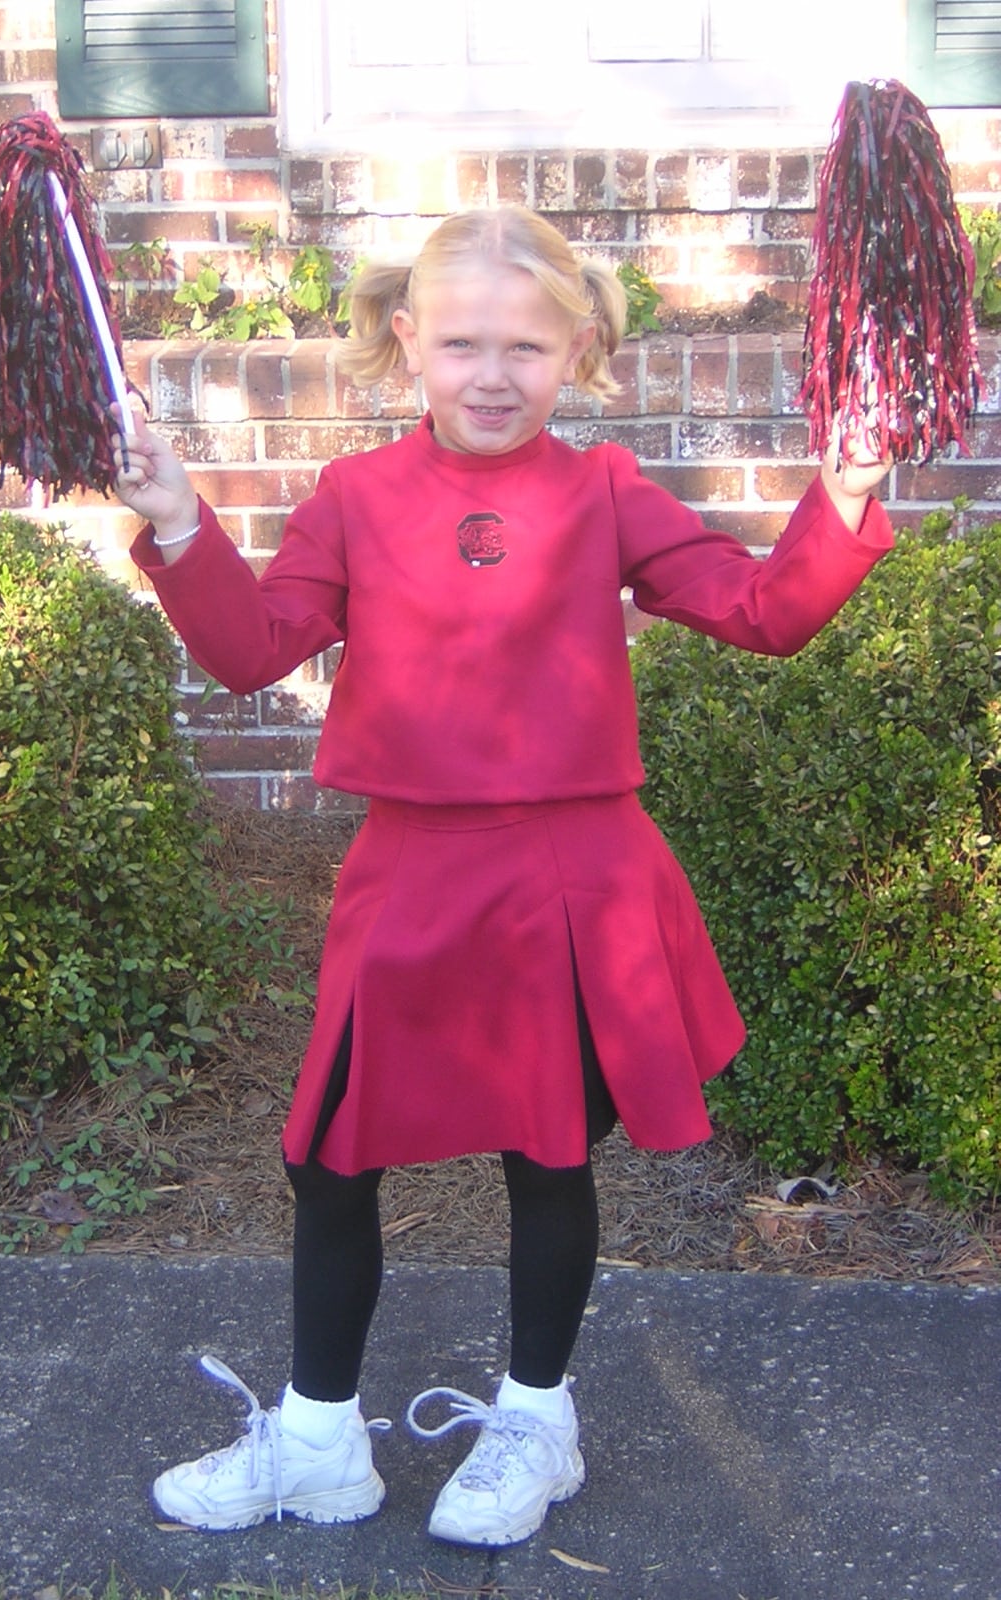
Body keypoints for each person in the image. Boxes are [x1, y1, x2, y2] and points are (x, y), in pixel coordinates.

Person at [112, 207, 893, 1547]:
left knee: (550, 1157)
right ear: (406, 341)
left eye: (524, 347)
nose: (491, 372)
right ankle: (317, 1445)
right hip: (408, 872)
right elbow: (255, 648)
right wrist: (180, 521)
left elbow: (765, 612)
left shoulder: (605, 495)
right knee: (326, 1155)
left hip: (574, 878)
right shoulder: (356, 498)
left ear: (575, 348)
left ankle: (537, 1422)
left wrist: (849, 488)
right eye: (462, 341)